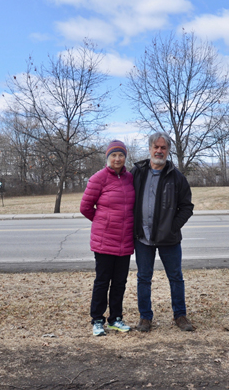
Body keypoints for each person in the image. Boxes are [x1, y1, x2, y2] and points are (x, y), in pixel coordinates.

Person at [131, 132, 195, 332]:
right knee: (143, 278)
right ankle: (145, 317)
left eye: (163, 148)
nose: (159, 151)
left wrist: (172, 227)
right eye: (156, 147)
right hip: (143, 237)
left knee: (175, 277)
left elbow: (187, 207)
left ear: (168, 151)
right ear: (150, 149)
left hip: (169, 239)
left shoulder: (177, 177)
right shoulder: (137, 173)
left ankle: (180, 315)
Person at [80, 140, 135, 336]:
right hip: (104, 241)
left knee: (120, 282)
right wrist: (103, 222)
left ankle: (115, 319)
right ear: (108, 158)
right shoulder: (98, 178)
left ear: (125, 157)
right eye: (114, 155)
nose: (117, 158)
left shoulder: (130, 178)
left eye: (121, 155)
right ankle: (97, 320)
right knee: (102, 281)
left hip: (125, 240)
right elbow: (85, 207)